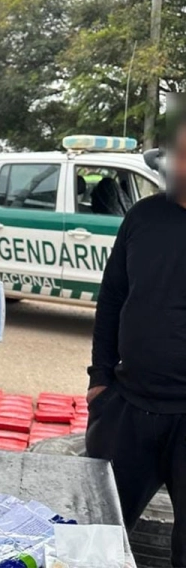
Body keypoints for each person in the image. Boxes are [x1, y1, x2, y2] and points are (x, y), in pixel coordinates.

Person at [86, 118, 186, 565]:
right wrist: (100, 379)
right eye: (178, 154)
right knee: (98, 539)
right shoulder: (143, 217)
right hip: (127, 408)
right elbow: (111, 300)